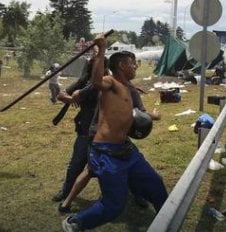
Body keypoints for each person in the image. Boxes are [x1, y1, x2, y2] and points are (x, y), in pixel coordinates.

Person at [62, 35, 168, 231]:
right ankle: (75, 222)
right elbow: (95, 81)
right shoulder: (110, 83)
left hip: (126, 150)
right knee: (113, 206)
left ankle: (167, 224)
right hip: (105, 152)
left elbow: (134, 113)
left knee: (157, 187)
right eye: (133, 64)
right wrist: (102, 50)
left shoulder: (129, 89)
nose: (136, 66)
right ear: (121, 66)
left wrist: (151, 116)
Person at [52, 56, 107, 210]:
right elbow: (61, 95)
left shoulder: (108, 80)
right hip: (85, 130)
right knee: (76, 164)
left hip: (106, 132)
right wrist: (72, 99)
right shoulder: (85, 81)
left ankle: (117, 195)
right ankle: (66, 192)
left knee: (109, 166)